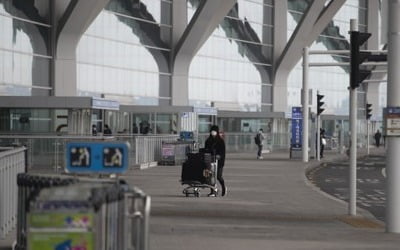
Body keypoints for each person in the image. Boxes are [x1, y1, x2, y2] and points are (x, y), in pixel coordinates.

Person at [205, 125, 227, 197]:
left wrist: (219, 156)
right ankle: (212, 191)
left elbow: (223, 152)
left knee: (218, 176)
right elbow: (206, 150)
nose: (213, 132)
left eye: (214, 131)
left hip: (219, 162)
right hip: (210, 160)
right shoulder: (208, 141)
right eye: (212, 131)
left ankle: (223, 187)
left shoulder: (221, 141)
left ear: (217, 132)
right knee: (210, 176)